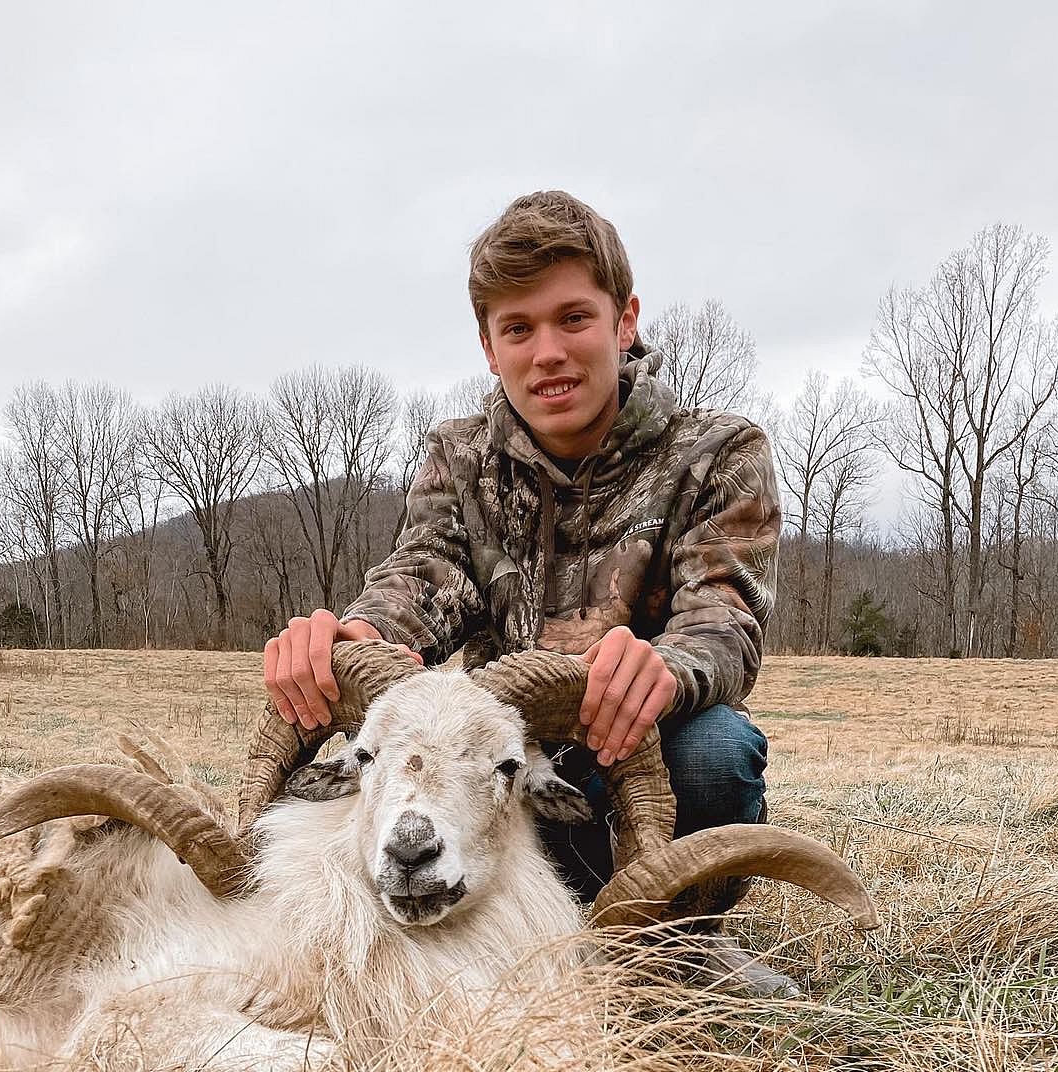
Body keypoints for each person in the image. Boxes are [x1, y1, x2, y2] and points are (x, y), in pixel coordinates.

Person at [265, 190, 783, 987]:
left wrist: (665, 669)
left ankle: (668, 945)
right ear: (489, 345)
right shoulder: (461, 458)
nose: (548, 352)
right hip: (490, 780)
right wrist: (357, 641)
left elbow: (726, 617)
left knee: (716, 752)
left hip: (628, 757)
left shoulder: (718, 452)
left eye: (573, 318)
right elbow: (418, 576)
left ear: (625, 320)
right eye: (519, 328)